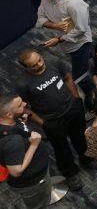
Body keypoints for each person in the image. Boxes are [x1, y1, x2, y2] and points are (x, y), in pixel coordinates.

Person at [13, 49, 89, 192]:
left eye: (40, 60)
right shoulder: (22, 84)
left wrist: (76, 99)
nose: (40, 64)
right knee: (61, 149)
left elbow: (67, 78)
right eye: (34, 65)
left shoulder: (54, 62)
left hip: (73, 110)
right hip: (52, 121)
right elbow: (24, 108)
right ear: (26, 68)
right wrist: (43, 123)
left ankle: (87, 158)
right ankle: (70, 173)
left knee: (80, 136)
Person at [35, 0, 94, 101]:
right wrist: (55, 25)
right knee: (87, 60)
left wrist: (58, 40)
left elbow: (81, 29)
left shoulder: (74, 4)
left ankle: (93, 95)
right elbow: (40, 17)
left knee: (80, 76)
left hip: (79, 43)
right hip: (64, 42)